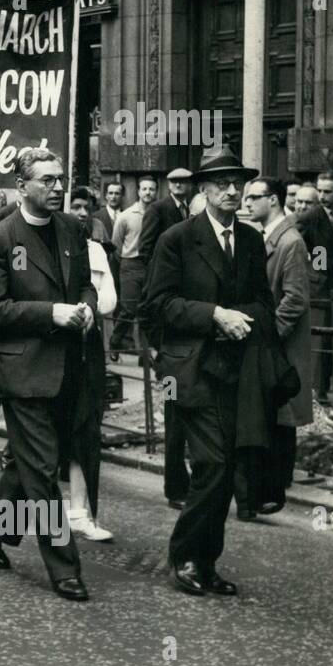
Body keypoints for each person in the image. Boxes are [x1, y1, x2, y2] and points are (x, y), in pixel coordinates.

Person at [142, 146, 280, 598]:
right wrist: (215, 314)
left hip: (235, 372)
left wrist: (242, 318)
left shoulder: (252, 239)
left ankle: (205, 562)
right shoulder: (178, 239)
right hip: (190, 370)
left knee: (223, 468)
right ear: (202, 190)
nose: (232, 191)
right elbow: (157, 305)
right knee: (213, 466)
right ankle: (183, 555)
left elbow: (264, 301)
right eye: (222, 184)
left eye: (237, 184)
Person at [0, 147, 94, 601]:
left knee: (29, 462)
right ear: (21, 187)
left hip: (70, 369)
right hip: (24, 374)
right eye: (47, 180)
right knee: (42, 472)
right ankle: (65, 568)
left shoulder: (72, 229)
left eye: (60, 178)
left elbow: (84, 284)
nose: (58, 187)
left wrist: (88, 310)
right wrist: (52, 314)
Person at [242, 177, 312, 515]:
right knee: (269, 418)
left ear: (272, 200)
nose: (246, 204)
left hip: (279, 347)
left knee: (279, 420)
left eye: (253, 198)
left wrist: (268, 337)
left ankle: (273, 492)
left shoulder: (291, 241)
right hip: (272, 346)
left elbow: (295, 299)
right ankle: (264, 491)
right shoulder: (271, 237)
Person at [134, 167, 194, 508]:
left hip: (184, 352)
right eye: (174, 182)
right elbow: (146, 250)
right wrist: (154, 347)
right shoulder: (158, 211)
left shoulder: (190, 212)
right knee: (174, 417)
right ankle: (175, 487)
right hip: (167, 353)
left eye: (184, 182)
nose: (179, 187)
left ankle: (188, 482)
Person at [64, 190, 117, 541]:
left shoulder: (96, 250)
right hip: (53, 350)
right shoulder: (50, 247)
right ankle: (4, 519)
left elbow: (110, 298)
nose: (81, 213)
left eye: (87, 208)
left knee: (86, 430)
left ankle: (80, 511)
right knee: (47, 439)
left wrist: (88, 309)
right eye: (76, 207)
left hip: (86, 347)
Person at [294, 183, 333, 403]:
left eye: (308, 202)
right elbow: (300, 249)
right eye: (299, 202)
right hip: (320, 291)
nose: (304, 206)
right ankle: (318, 394)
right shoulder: (306, 220)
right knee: (320, 345)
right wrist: (317, 272)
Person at [109, 174, 157, 350]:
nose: (148, 192)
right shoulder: (126, 216)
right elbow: (116, 244)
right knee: (129, 308)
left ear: (156, 192)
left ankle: (144, 354)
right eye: (144, 189)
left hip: (152, 266)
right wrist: (127, 261)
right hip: (130, 264)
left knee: (147, 310)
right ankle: (114, 342)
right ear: (138, 191)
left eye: (151, 189)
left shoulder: (159, 214)